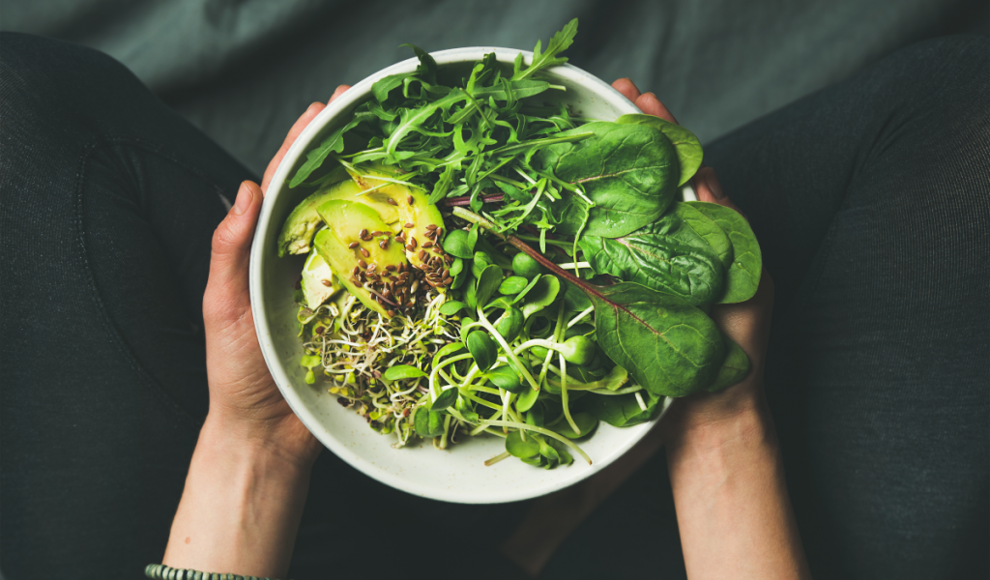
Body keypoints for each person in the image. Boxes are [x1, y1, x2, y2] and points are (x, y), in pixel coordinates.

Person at [1, 32, 986, 580]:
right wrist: (720, 430)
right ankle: (551, 536)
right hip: (672, 541)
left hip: (292, 541)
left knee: (18, 108)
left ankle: (509, 538)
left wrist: (253, 443)